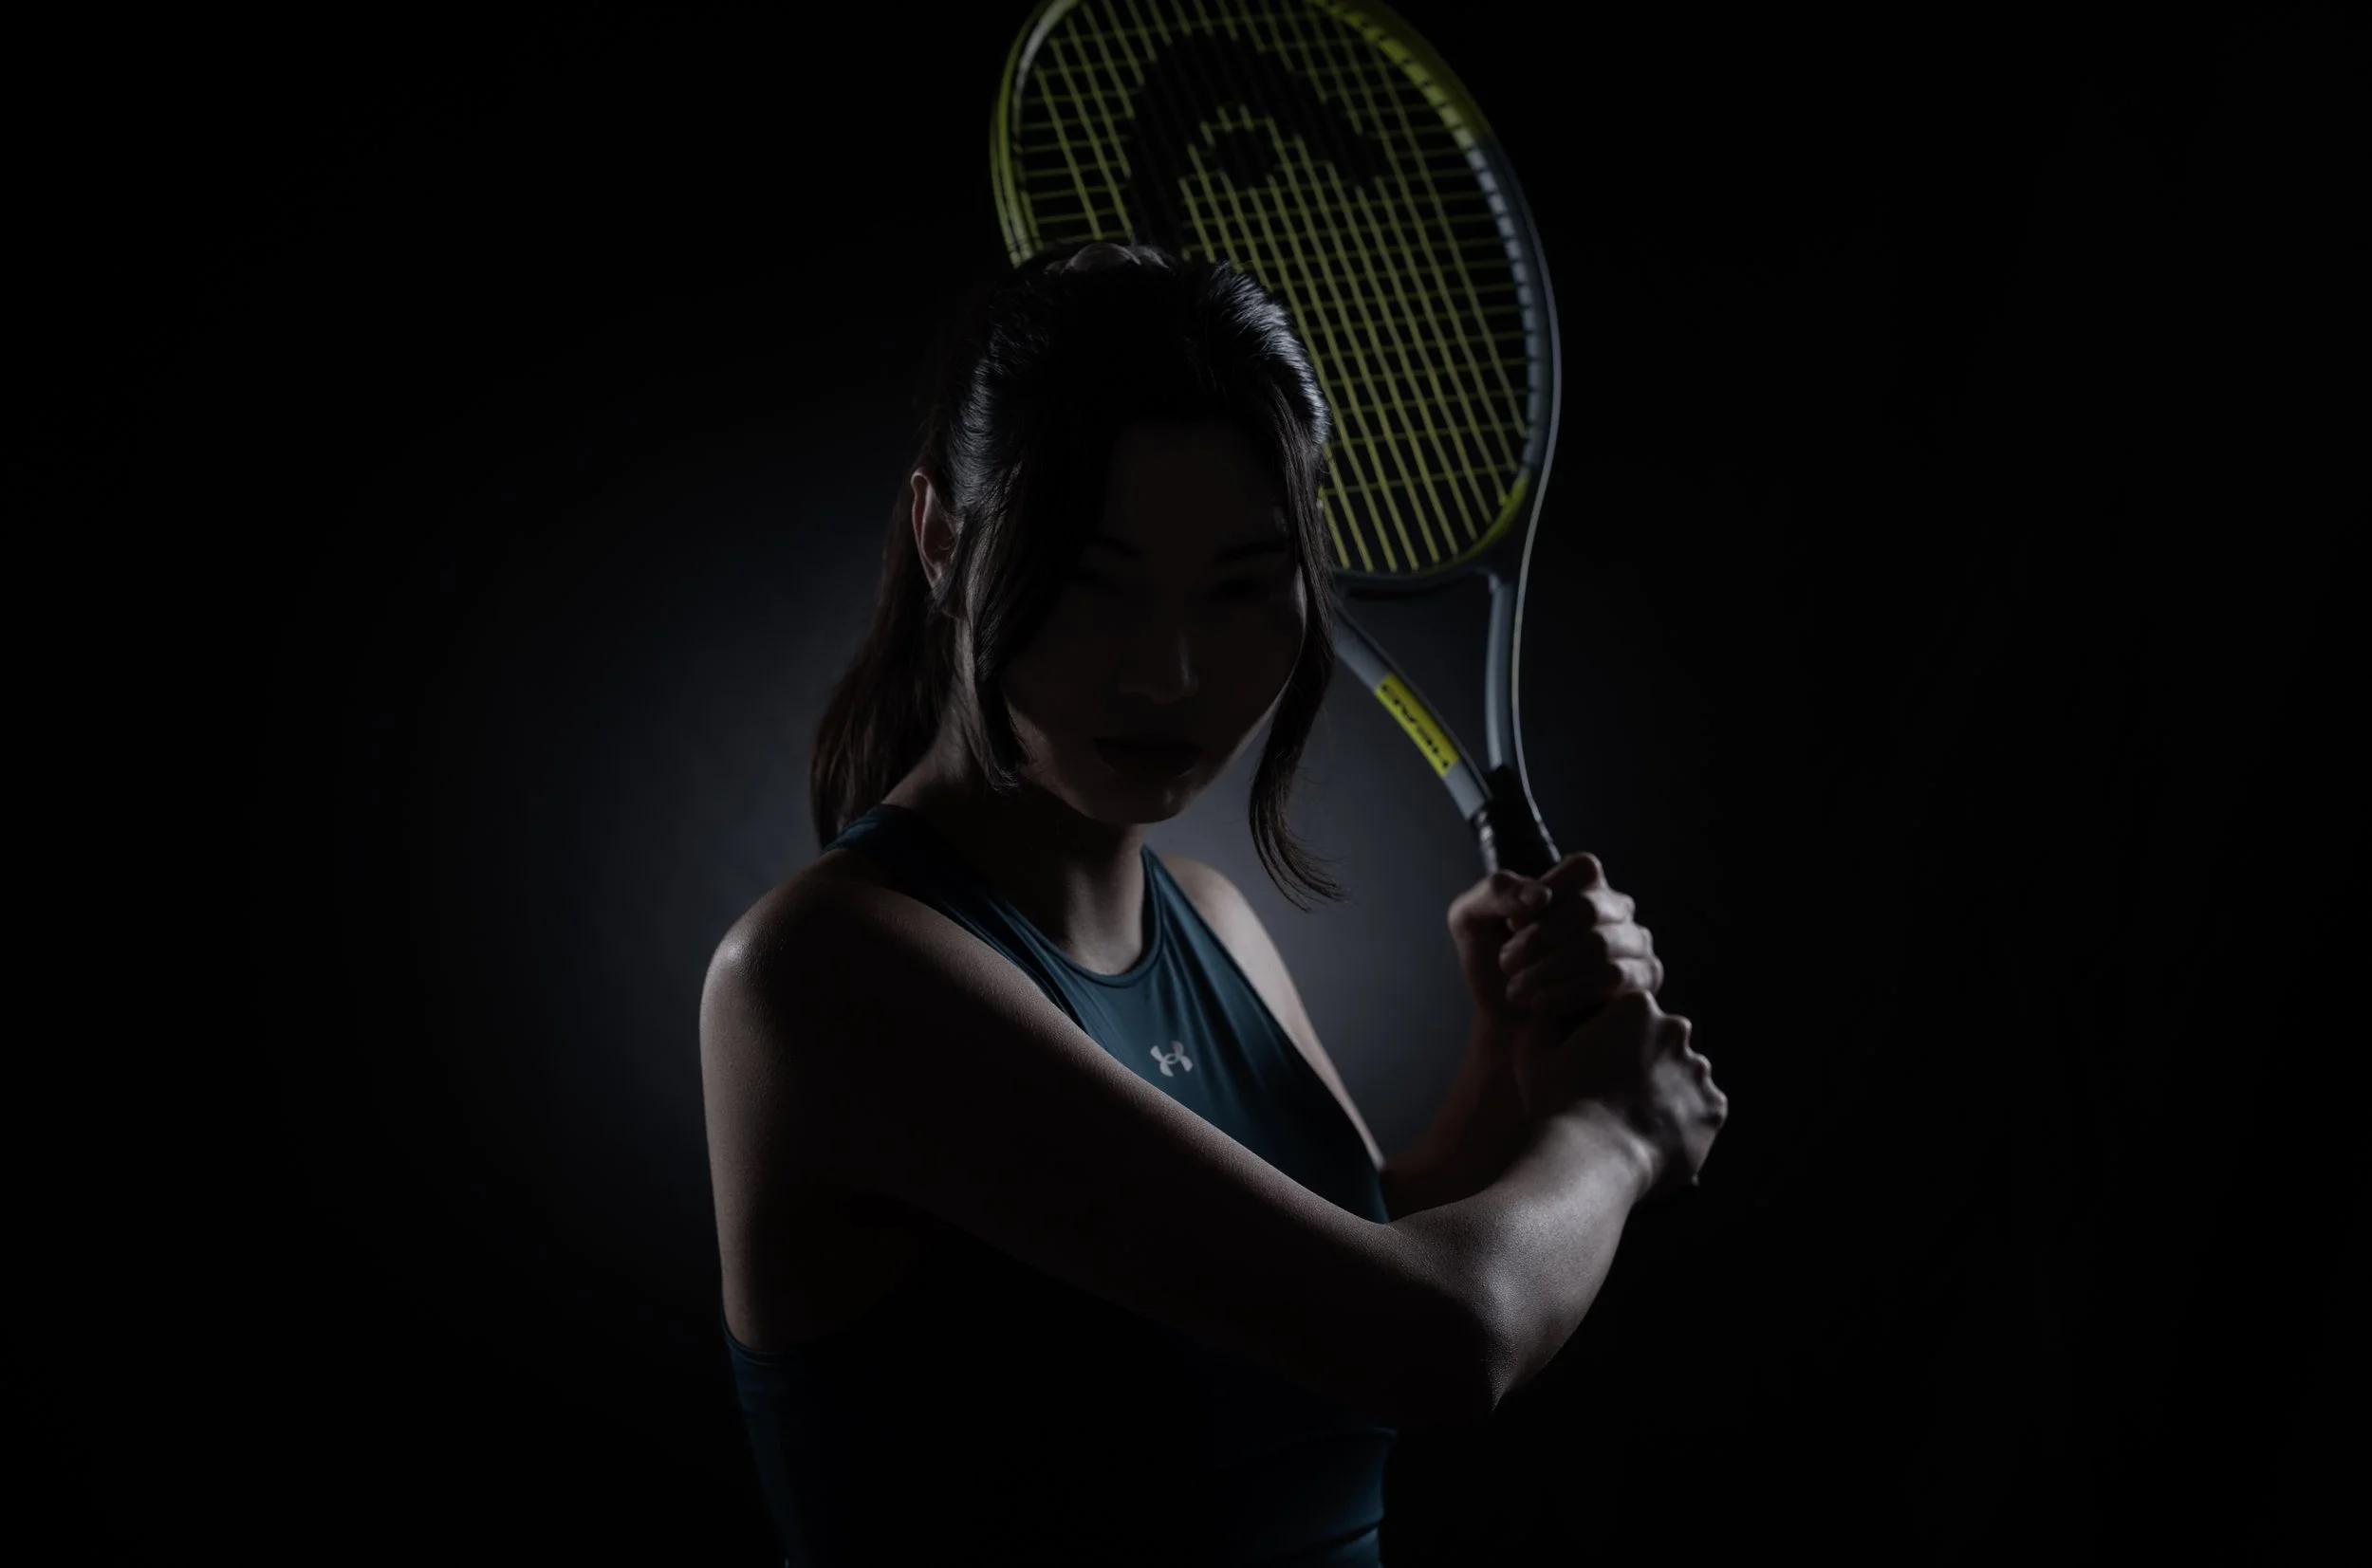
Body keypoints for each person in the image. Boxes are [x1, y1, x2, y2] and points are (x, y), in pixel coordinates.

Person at [698, 238, 1727, 1566]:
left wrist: (1508, 1060)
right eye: (1091, 584)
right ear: (944, 539)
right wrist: (1618, 1138)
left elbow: (1334, 1271)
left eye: (1243, 589)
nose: (1170, 674)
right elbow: (1431, 1344)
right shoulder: (826, 976)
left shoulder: (1210, 919)